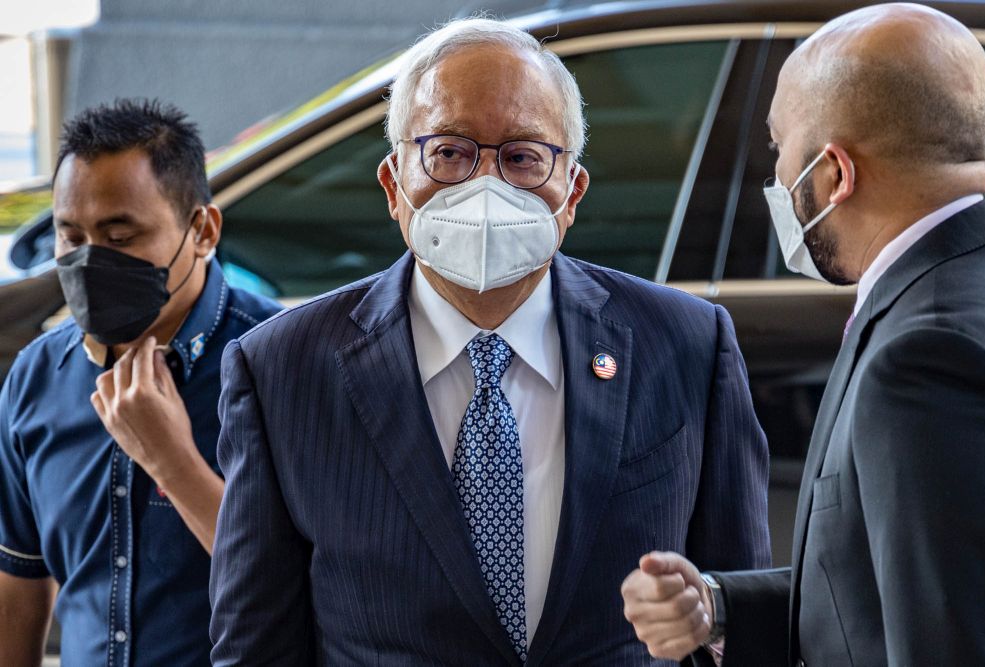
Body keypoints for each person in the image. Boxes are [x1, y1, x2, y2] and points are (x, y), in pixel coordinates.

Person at [208, 17, 770, 666]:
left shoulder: (687, 345)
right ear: (394, 186)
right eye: (449, 152)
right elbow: (256, 646)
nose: (485, 185)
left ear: (572, 194)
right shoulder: (284, 367)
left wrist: (715, 617)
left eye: (523, 157)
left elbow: (743, 612)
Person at [621, 4, 985, 665]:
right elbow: (887, 582)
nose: (774, 176)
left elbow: (949, 638)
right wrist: (719, 607)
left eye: (777, 148)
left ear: (832, 174)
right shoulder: (963, 290)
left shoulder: (921, 358)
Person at [0, 99, 281, 667]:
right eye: (71, 237)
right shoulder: (36, 378)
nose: (89, 261)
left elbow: (304, 589)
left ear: (202, 231)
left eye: (120, 236)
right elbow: (17, 585)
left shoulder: (284, 363)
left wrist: (172, 461)